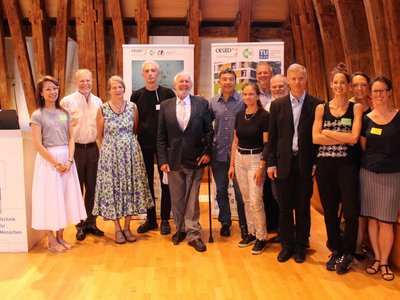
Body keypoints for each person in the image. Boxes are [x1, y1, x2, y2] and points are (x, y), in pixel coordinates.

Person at [267, 63, 323, 263]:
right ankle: (287, 246)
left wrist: (316, 163)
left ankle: (300, 246)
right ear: (288, 81)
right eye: (293, 78)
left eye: (301, 78)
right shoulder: (277, 105)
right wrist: (270, 163)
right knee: (284, 207)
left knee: (302, 207)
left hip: (305, 163)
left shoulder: (317, 105)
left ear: (305, 79)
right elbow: (273, 138)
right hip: (283, 163)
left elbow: (319, 138)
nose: (297, 82)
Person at [312, 63, 363, 274]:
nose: (339, 86)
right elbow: (315, 138)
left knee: (351, 212)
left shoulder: (356, 108)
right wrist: (341, 136)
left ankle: (348, 252)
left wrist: (328, 132)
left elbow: (353, 138)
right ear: (331, 85)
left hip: (347, 166)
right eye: (336, 82)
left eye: (343, 82)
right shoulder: (321, 108)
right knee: (330, 211)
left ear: (349, 85)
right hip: (325, 167)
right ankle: (336, 249)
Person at [157, 71, 213, 252]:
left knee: (192, 199)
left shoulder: (201, 104)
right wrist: (162, 160)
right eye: (181, 81)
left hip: (195, 159)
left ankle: (193, 233)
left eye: (187, 81)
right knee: (177, 198)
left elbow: (208, 132)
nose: (184, 84)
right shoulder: (165, 106)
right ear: (175, 85)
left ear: (191, 84)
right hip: (172, 160)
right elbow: (161, 137)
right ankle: (180, 228)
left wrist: (207, 153)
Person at [93, 76, 153, 244]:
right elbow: (99, 136)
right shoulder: (103, 109)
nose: (117, 90)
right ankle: (117, 229)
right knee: (114, 191)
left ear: (124, 89)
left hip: (130, 154)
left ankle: (127, 227)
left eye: (120, 86)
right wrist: (105, 155)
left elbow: (134, 130)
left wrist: (128, 147)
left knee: (130, 189)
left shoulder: (132, 107)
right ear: (109, 90)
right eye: (114, 87)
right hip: (110, 156)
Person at [30, 76, 87, 253]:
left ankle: (61, 236)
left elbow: (71, 137)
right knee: (49, 199)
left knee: (64, 198)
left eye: (55, 88)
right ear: (41, 92)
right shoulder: (37, 115)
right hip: (48, 161)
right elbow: (38, 145)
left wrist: (69, 160)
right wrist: (56, 164)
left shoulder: (64, 113)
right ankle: (51, 239)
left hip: (67, 159)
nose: (52, 91)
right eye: (48, 89)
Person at [360, 76, 400, 281]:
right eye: (375, 91)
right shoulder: (366, 118)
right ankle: (376, 259)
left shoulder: (398, 116)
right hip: (368, 174)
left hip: (392, 175)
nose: (379, 94)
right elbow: (364, 146)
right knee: (373, 219)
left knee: (386, 221)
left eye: (382, 90)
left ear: (390, 92)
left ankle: (384, 262)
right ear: (371, 94)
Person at [130, 61, 176, 235]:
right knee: (147, 182)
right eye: (147, 71)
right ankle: (151, 219)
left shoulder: (168, 93)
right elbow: (135, 121)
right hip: (144, 144)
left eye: (153, 71)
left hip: (164, 144)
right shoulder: (136, 96)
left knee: (166, 182)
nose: (150, 73)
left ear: (158, 73)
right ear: (143, 74)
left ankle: (165, 219)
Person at [60, 69, 104, 241]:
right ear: (75, 81)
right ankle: (80, 225)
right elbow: (62, 127)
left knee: (93, 187)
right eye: (82, 81)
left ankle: (91, 222)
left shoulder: (98, 102)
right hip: (75, 149)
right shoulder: (66, 102)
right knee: (77, 189)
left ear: (92, 81)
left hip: (93, 148)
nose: (85, 84)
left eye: (88, 80)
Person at [228, 83, 269, 255]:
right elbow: (235, 141)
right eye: (245, 94)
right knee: (245, 199)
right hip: (239, 159)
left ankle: (261, 236)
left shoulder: (264, 116)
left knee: (255, 200)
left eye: (251, 94)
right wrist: (231, 165)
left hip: (255, 159)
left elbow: (267, 143)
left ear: (258, 96)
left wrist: (262, 166)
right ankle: (251, 233)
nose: (248, 97)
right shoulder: (239, 115)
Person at [209, 68, 247, 238]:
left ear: (235, 81)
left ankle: (245, 224)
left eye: (231, 79)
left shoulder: (243, 102)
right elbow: (206, 127)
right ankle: (225, 222)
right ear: (219, 82)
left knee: (240, 192)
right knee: (221, 190)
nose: (227, 82)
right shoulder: (212, 102)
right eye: (224, 79)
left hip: (238, 155)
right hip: (218, 154)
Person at [350, 71, 373, 261]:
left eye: (363, 85)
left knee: (364, 205)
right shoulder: (347, 108)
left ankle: (360, 244)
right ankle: (352, 241)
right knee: (352, 204)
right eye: (356, 85)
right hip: (349, 161)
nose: (359, 89)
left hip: (370, 163)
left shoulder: (376, 107)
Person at [264, 74, 290, 244]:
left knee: (290, 200)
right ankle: (283, 232)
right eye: (274, 87)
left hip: (290, 159)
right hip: (272, 159)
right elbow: (269, 137)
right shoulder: (268, 106)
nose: (278, 89)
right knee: (276, 197)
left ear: (287, 87)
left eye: (281, 86)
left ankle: (292, 234)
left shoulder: (294, 105)